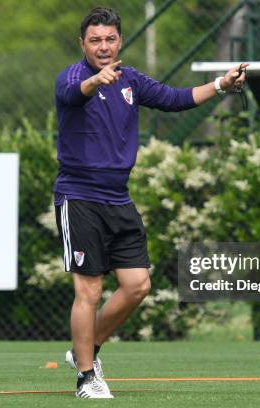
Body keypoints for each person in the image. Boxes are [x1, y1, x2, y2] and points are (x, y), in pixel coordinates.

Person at [54, 7, 248, 399]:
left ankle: (84, 351)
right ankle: (86, 378)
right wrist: (95, 81)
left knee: (138, 285)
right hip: (80, 197)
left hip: (119, 199)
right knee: (88, 292)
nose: (104, 47)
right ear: (83, 44)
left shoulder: (132, 80)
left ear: (120, 41)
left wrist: (222, 84)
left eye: (110, 39)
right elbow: (73, 94)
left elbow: (176, 98)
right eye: (95, 40)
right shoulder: (74, 77)